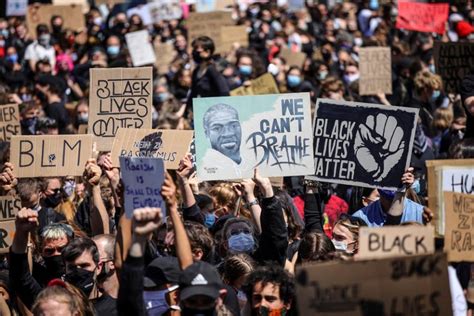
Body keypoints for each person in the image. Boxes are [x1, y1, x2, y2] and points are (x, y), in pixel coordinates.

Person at [199, 103, 251, 179]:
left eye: (233, 126)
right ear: (207, 134)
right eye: (217, 128)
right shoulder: (203, 172)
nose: (228, 134)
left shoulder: (256, 166)